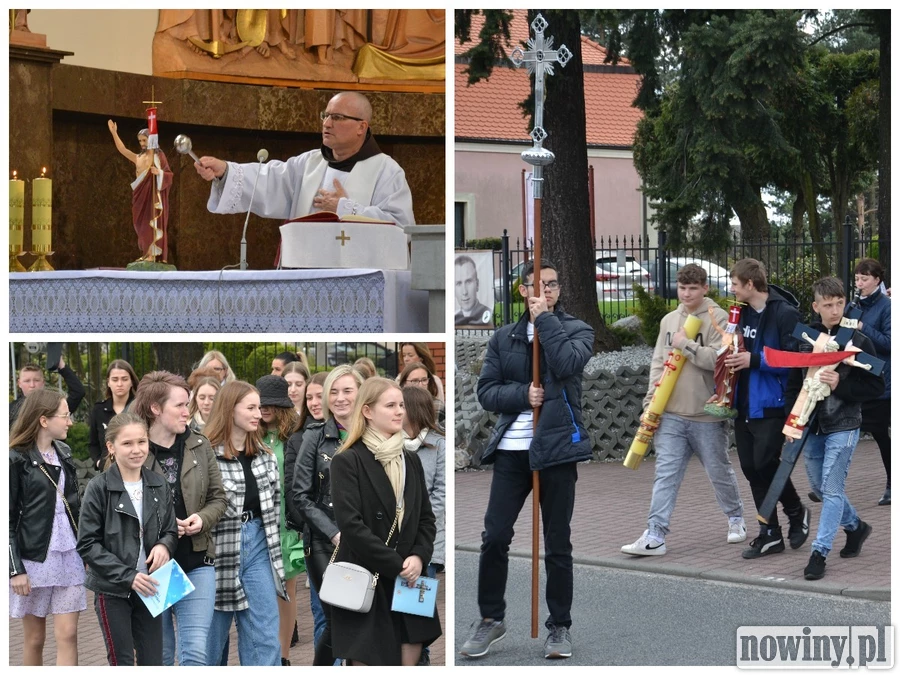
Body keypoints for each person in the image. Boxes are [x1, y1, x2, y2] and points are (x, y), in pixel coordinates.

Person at [461, 259, 593, 660]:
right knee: (495, 535)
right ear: (522, 290)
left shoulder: (577, 330)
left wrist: (545, 321)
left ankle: (559, 627)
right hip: (512, 453)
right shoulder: (504, 337)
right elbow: (486, 391)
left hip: (555, 451)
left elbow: (569, 364)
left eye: (553, 285)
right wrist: (524, 395)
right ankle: (490, 619)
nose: (548, 291)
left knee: (557, 543)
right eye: (540, 286)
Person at [621, 264, 746, 556]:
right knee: (666, 474)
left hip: (706, 415)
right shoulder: (669, 320)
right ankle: (655, 535)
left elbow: (719, 362)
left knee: (718, 471)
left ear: (705, 289)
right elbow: (658, 363)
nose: (687, 293)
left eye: (693, 288)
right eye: (682, 288)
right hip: (671, 416)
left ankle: (736, 518)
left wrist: (686, 344)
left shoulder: (720, 319)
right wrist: (650, 403)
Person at [329, 377, 441, 666]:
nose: (399, 411)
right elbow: (351, 527)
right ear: (367, 411)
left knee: (412, 643)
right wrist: (397, 566)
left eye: (401, 405)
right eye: (390, 405)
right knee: (367, 653)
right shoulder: (348, 460)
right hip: (368, 574)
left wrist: (418, 557)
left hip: (411, 574)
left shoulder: (411, 459)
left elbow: (427, 519)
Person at [784, 277, 885, 580]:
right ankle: (855, 527)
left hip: (844, 424)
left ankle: (819, 552)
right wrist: (791, 421)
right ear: (816, 306)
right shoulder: (806, 337)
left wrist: (842, 383)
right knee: (818, 487)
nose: (834, 309)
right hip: (811, 425)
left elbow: (876, 383)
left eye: (839, 303)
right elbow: (793, 382)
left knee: (831, 489)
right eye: (827, 305)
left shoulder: (856, 338)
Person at [196, 91, 415, 226]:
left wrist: (344, 208)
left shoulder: (386, 170)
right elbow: (269, 181)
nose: (327, 124)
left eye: (337, 117)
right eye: (325, 115)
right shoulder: (310, 164)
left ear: (361, 127)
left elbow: (400, 226)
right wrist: (225, 170)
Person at [131, 371, 228, 666]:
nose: (188, 411)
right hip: (154, 568)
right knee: (159, 654)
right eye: (180, 405)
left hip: (197, 561)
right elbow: (120, 508)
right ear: (155, 409)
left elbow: (219, 498)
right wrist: (168, 527)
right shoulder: (133, 449)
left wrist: (202, 518)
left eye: (188, 404)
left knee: (196, 651)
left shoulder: (200, 444)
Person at [77, 412, 178, 666]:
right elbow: (87, 544)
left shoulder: (159, 483)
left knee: (152, 661)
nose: (137, 450)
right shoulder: (98, 488)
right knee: (121, 660)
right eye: (127, 443)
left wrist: (165, 546)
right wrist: (128, 576)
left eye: (141, 442)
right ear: (111, 447)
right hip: (112, 589)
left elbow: (169, 529)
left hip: (151, 587)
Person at [726, 259, 809, 559]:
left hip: (772, 403)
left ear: (750, 284)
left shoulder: (785, 314)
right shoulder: (739, 313)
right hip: (744, 401)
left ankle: (796, 511)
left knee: (764, 464)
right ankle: (770, 533)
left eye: (735, 283)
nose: (731, 288)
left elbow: (794, 361)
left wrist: (754, 360)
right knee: (750, 468)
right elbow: (734, 348)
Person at [204, 381, 286, 666]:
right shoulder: (205, 455)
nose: (258, 413)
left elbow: (274, 507)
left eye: (259, 407)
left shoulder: (265, 456)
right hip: (216, 551)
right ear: (230, 410)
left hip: (258, 544)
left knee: (264, 633)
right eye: (251, 407)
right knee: (211, 638)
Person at [291, 364, 363, 664]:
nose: (340, 398)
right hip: (323, 541)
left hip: (365, 538)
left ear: (361, 393)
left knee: (364, 617)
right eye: (333, 391)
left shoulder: (374, 434)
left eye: (347, 390)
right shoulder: (314, 436)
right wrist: (333, 532)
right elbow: (300, 495)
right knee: (338, 618)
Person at [10, 390, 85, 666]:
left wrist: (85, 549)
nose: (70, 422)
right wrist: (14, 569)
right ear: (43, 420)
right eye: (65, 416)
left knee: (68, 634)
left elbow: (73, 507)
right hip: (33, 559)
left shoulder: (64, 452)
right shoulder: (14, 459)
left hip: (70, 554)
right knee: (34, 639)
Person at [255, 375, 305, 666]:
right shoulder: (250, 435)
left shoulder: (295, 436)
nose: (264, 408)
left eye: (271, 403)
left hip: (287, 525)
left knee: (286, 591)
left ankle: (283, 658)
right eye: (260, 403)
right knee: (260, 593)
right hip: (255, 525)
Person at [284, 371, 329, 649]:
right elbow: (293, 492)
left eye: (319, 395)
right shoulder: (299, 439)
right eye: (309, 396)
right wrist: (312, 526)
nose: (313, 402)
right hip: (318, 537)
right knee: (323, 612)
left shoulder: (359, 433)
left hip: (356, 535)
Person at [853, 258, 891, 505]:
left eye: (864, 279)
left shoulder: (887, 306)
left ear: (877, 280)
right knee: (865, 432)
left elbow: (889, 343)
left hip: (884, 382)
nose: (860, 283)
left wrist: (863, 327)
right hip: (860, 379)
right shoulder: (854, 305)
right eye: (857, 279)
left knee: (880, 434)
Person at [108, 121, 174, 262]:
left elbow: (169, 175)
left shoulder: (158, 156)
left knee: (150, 225)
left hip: (152, 198)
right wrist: (114, 133)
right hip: (139, 197)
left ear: (150, 139)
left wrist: (159, 172)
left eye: (144, 140)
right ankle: (146, 253)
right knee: (140, 226)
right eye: (140, 141)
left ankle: (152, 254)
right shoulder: (138, 157)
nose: (142, 143)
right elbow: (123, 150)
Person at [401, 385, 445, 579]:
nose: (396, 410)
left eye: (401, 405)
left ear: (413, 410)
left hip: (427, 537)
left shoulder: (439, 444)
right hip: (395, 539)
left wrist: (418, 522)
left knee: (418, 604)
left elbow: (441, 493)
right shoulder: (389, 442)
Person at [88, 359, 139, 470]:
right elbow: (93, 443)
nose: (120, 384)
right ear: (108, 382)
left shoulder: (139, 408)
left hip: (136, 469)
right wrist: (99, 462)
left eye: (124, 379)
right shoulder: (99, 409)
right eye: (115, 380)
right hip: (107, 471)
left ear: (131, 382)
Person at [10, 356, 85, 429]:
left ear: (43, 382)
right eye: (27, 381)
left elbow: (78, 392)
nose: (32, 385)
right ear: (19, 383)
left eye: (36, 380)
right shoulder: (10, 410)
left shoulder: (55, 405)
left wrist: (62, 366)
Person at [399, 361, 444, 428]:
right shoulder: (398, 405)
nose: (420, 385)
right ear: (404, 383)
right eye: (415, 381)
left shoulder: (437, 405)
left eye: (424, 380)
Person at [455, 255, 493, 326]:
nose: (464, 292)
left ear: (477, 284)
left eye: (468, 282)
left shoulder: (487, 312)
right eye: (459, 283)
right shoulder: (452, 317)